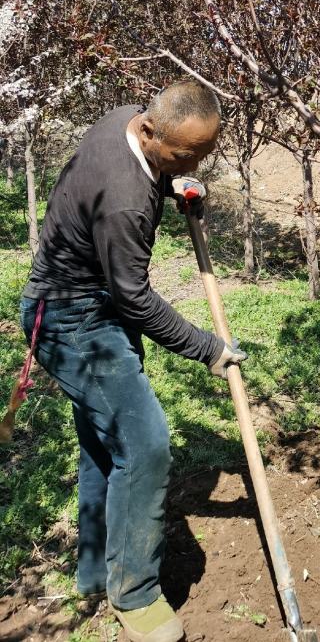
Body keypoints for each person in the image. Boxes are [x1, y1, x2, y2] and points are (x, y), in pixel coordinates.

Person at [20, 80, 246, 642]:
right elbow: (134, 298)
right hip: (76, 322)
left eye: (203, 154)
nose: (194, 163)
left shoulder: (127, 118)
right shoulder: (123, 200)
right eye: (185, 155)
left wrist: (178, 185)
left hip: (85, 301)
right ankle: (136, 595)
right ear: (150, 131)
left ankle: (96, 571)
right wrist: (208, 348)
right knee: (144, 445)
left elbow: (160, 172)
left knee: (106, 442)